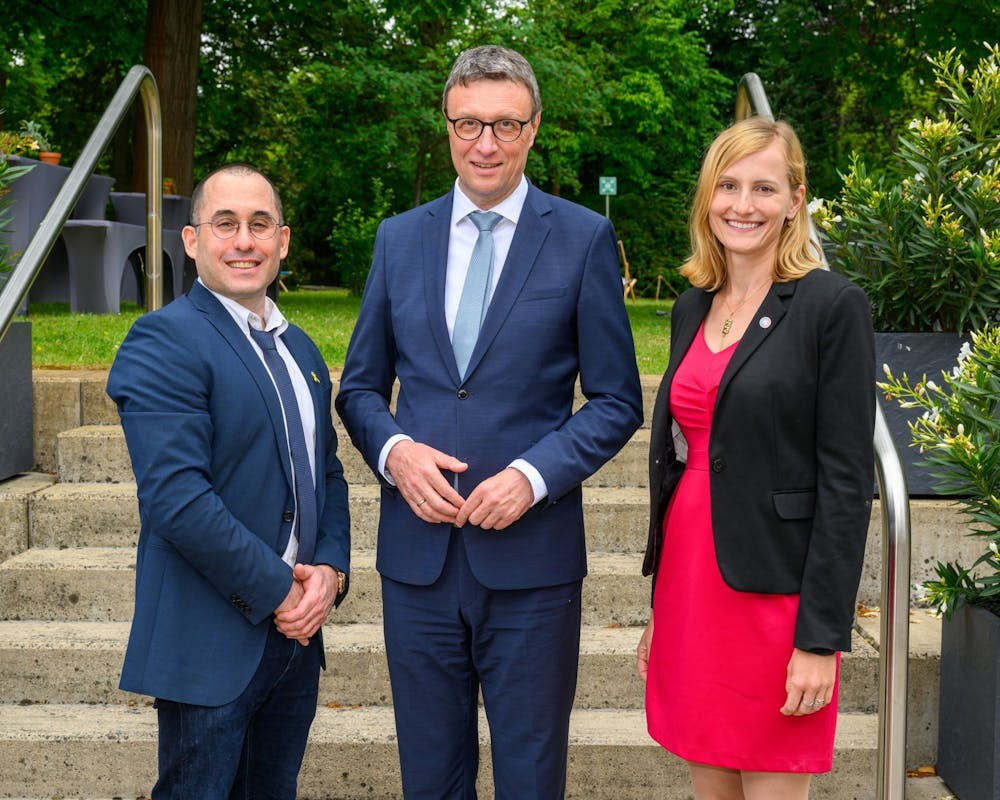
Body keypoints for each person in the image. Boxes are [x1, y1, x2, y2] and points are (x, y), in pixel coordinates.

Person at [336, 44, 643, 799]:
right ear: (446, 126)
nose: (485, 144)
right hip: (418, 562)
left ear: (534, 129)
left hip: (532, 565)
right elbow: (361, 389)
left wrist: (533, 477)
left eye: (505, 125)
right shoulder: (398, 238)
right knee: (431, 779)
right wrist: (397, 452)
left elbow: (616, 399)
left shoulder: (580, 238)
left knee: (531, 777)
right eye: (468, 123)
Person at [636, 117, 875, 799]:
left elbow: (846, 482)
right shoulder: (692, 305)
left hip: (776, 597)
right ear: (708, 197)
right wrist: (658, 603)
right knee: (708, 785)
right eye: (730, 185)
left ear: (796, 199)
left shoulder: (833, 306)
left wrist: (820, 639)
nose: (744, 205)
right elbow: (681, 459)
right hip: (691, 579)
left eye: (765, 188)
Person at [107, 164, 350, 799]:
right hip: (210, 639)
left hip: (295, 643)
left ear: (283, 240)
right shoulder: (163, 340)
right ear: (192, 242)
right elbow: (177, 500)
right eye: (225, 224)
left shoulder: (300, 349)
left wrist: (331, 569)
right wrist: (281, 591)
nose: (244, 240)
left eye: (260, 224)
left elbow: (326, 472)